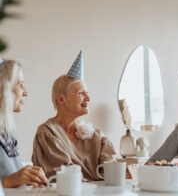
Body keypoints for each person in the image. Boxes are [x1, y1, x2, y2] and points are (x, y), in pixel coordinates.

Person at [32, 51, 116, 181]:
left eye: (87, 93)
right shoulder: (47, 134)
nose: (88, 98)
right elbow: (65, 178)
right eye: (81, 93)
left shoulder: (96, 137)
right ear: (61, 100)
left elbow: (112, 173)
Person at [0, 59, 47, 188]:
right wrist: (8, 181)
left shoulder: (6, 133)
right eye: (20, 85)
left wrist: (26, 177)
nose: (25, 92)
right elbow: (8, 180)